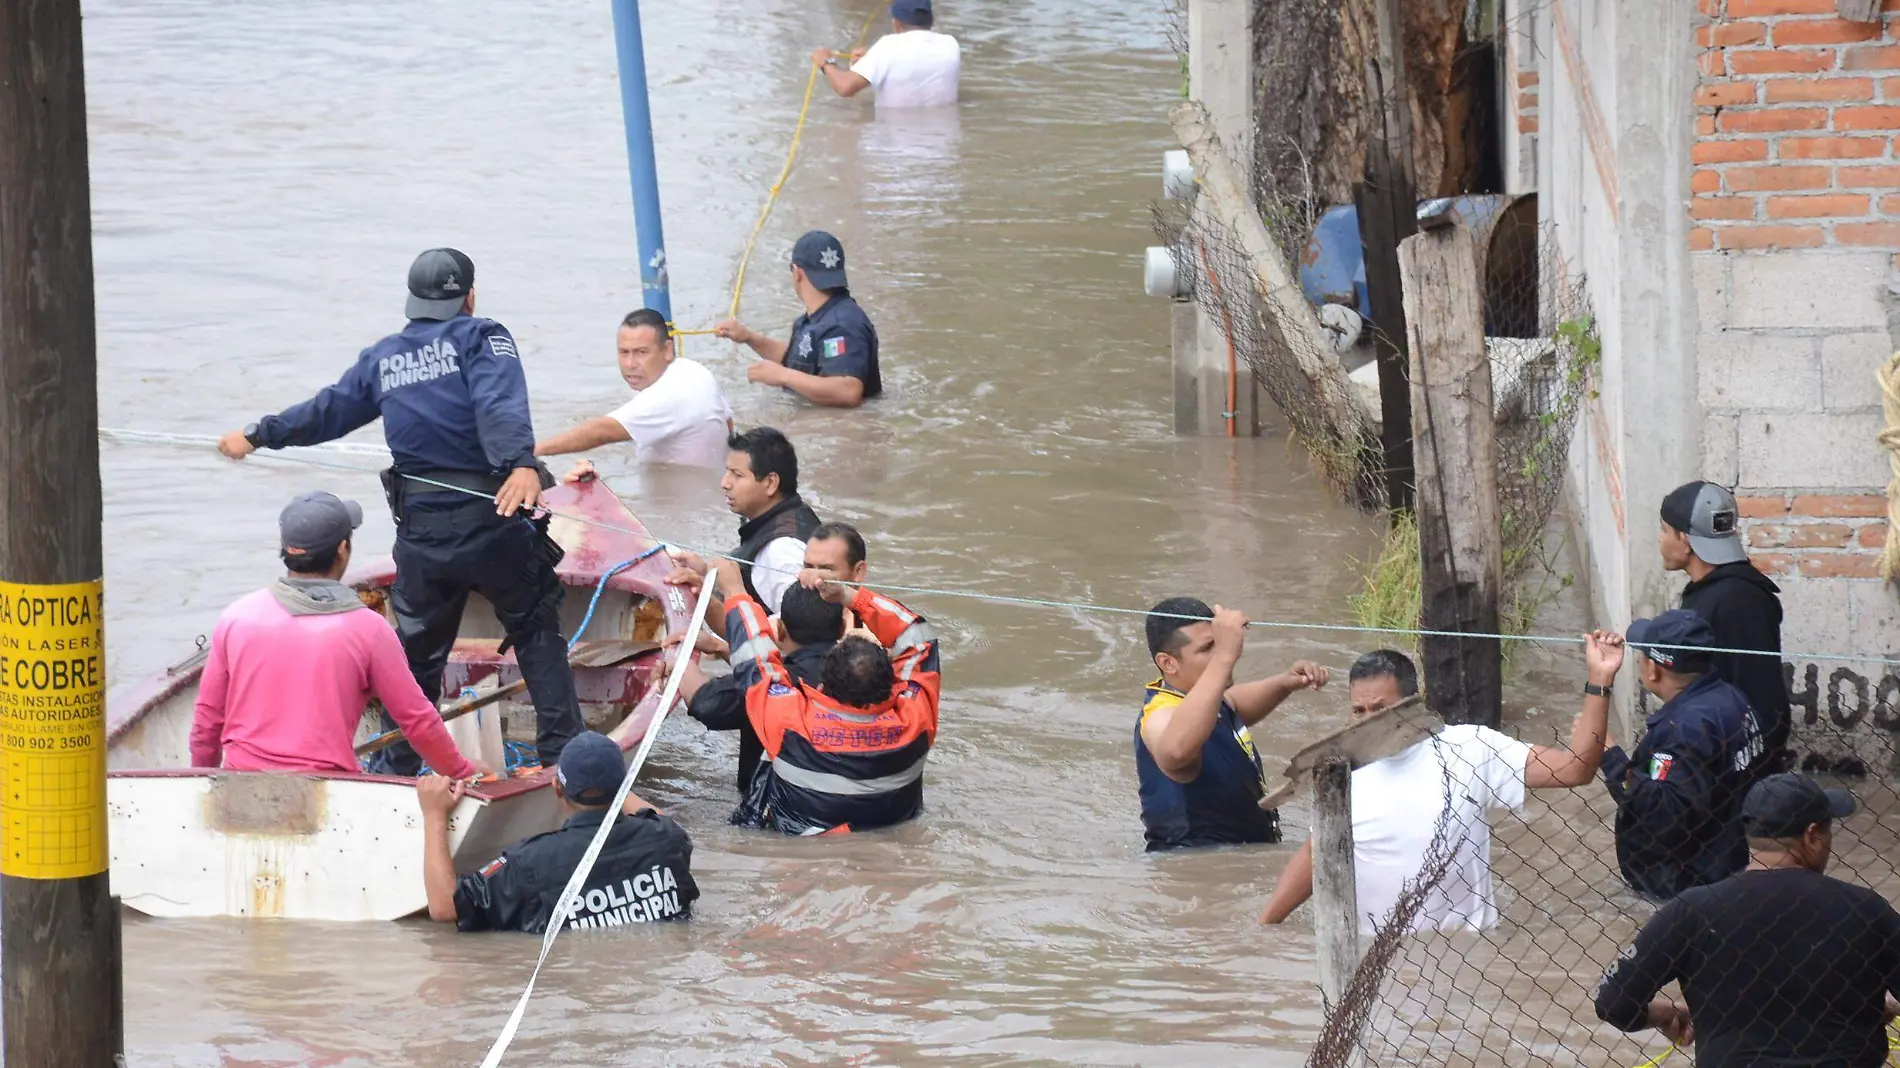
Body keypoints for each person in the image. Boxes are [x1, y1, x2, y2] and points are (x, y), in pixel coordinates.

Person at [218, 247, 585, 773]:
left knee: (415, 660)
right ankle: (561, 761)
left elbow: (326, 412)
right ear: (470, 298)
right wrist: (520, 463)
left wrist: (256, 435)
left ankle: (396, 770)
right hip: (493, 519)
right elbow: (497, 402)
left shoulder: (383, 357)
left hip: (423, 535)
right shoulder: (483, 335)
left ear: (411, 302)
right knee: (535, 631)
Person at [1258, 643, 1617, 932]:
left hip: (1468, 955)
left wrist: (1599, 681)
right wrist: (1265, 927)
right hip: (1373, 958)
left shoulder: (1471, 748)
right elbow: (1316, 853)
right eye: (1359, 710)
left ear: (1414, 704)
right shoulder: (1341, 771)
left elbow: (1575, 770)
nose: (1368, 721)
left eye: (1380, 708)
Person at [1595, 773, 1900, 1066]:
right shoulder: (1866, 909)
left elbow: (1612, 1002)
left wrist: (1665, 1014)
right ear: (1811, 835)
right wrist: (1875, 1005)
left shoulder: (1694, 909)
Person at [190, 491, 480, 781]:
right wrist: (463, 772)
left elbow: (207, 722)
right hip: (329, 791)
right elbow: (416, 721)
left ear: (286, 550)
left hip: (239, 783)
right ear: (343, 549)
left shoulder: (237, 616)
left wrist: (202, 784)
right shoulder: (369, 629)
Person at [715, 557, 940, 835]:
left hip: (798, 855)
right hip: (892, 843)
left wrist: (733, 589)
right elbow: (918, 637)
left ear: (822, 686)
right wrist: (851, 596)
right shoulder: (916, 719)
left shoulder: (791, 721)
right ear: (893, 684)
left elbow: (752, 657)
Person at [418, 732, 698, 932]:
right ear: (623, 788)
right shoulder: (666, 839)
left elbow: (444, 907)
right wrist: (612, 782)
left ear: (556, 789)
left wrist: (433, 814)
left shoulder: (530, 861)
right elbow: (661, 820)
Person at [1136, 598, 1328, 851]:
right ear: (1168, 663)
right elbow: (1175, 752)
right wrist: (1225, 655)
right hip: (1193, 871)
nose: (1218, 654)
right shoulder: (1159, 714)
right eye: (1207, 649)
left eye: (1218, 644)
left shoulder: (1208, 699)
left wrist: (1285, 683)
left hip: (1240, 857)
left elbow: (1235, 702)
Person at [1603, 609, 1766, 902]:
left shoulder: (1684, 727)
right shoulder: (1731, 698)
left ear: (1653, 669)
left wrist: (1610, 757)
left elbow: (1661, 815)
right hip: (1729, 861)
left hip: (1686, 884)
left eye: (1641, 657)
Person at [1660, 480, 1791, 777]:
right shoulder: (1712, 591)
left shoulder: (1738, 602)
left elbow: (1758, 695)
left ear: (1685, 539)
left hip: (1733, 765)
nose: (1660, 538)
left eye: (1665, 530)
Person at [683, 583, 847, 799]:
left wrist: (677, 659)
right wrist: (720, 647)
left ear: (778, 630)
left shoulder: (775, 687)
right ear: (843, 628)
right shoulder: (864, 676)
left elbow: (707, 703)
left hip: (770, 807)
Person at [534, 308, 733, 471]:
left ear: (667, 350)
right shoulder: (694, 370)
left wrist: (533, 450)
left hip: (683, 504)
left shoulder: (666, 396)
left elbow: (601, 431)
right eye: (624, 353)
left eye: (641, 352)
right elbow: (727, 421)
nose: (630, 364)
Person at [713, 231, 881, 408]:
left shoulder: (843, 323)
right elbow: (799, 359)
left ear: (797, 272)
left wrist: (782, 376)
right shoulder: (813, 319)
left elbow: (847, 391)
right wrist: (749, 337)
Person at [668, 427, 821, 618]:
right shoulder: (793, 512)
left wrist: (719, 644)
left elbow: (797, 632)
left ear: (770, 483)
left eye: (737, 475)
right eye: (727, 472)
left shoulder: (781, 551)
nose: (725, 483)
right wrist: (706, 574)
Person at [810, 0, 960, 110]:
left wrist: (826, 62)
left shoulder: (888, 46)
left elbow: (845, 87)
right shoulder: (951, 45)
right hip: (940, 146)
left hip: (891, 145)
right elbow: (914, 64)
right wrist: (871, 59)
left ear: (896, 24)